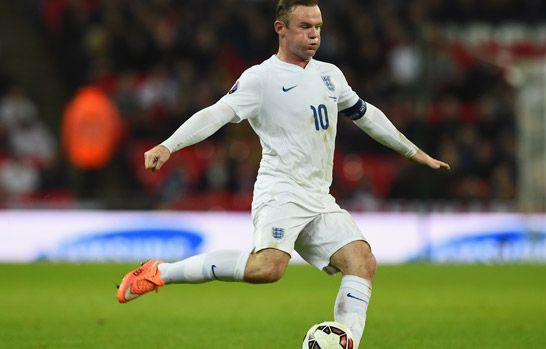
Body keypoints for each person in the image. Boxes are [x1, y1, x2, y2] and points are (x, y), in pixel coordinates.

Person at [116, 0, 450, 347]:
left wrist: (414, 151)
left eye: (318, 26)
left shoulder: (329, 75)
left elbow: (366, 116)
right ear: (281, 28)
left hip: (319, 197)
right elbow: (216, 114)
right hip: (281, 192)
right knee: (268, 269)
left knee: (362, 261)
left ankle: (347, 343)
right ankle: (160, 272)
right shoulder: (261, 78)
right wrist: (168, 145)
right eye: (305, 26)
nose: (314, 35)